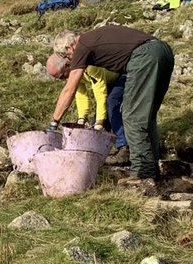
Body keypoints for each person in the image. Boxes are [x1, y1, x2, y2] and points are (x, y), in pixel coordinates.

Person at [48, 26, 174, 183]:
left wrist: (53, 123)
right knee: (147, 116)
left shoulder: (82, 46)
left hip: (144, 57)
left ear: (69, 47)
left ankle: (142, 174)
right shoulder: (93, 38)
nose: (69, 61)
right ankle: (151, 170)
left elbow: (69, 90)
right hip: (163, 51)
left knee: (132, 116)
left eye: (66, 56)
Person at [45, 54, 128, 160]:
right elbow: (81, 95)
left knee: (111, 104)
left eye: (62, 76)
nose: (63, 80)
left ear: (67, 65)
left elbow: (100, 94)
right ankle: (100, 151)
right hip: (107, 81)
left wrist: (100, 122)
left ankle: (124, 147)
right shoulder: (73, 72)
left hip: (120, 77)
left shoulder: (90, 67)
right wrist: (81, 119)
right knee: (94, 124)